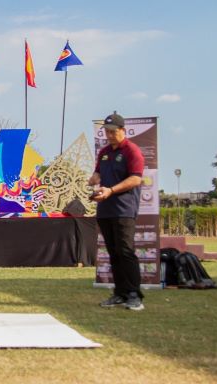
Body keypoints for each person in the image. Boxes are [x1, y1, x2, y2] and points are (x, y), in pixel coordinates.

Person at [88, 112, 145, 311]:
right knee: (113, 253)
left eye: (113, 131)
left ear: (123, 130)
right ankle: (120, 293)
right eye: (107, 131)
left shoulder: (132, 150)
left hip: (124, 209)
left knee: (126, 252)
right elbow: (98, 171)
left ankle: (134, 295)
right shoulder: (104, 151)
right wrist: (94, 178)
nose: (110, 135)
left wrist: (111, 190)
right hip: (105, 209)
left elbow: (136, 179)